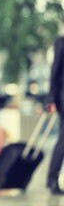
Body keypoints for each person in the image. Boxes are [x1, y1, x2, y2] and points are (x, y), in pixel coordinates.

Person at [47, 36, 64, 195]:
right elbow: (55, 71)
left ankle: (52, 179)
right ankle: (52, 179)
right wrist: (51, 99)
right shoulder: (61, 42)